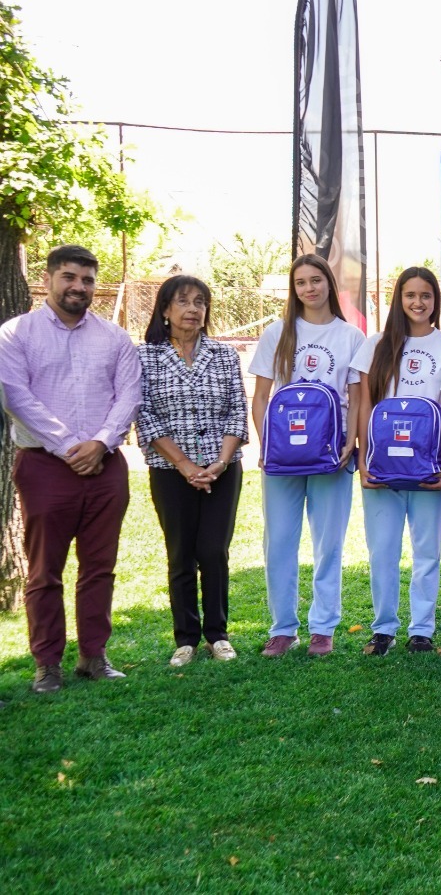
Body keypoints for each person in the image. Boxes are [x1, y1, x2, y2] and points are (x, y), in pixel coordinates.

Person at [0, 244, 139, 694]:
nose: (79, 286)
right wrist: (67, 447)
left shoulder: (115, 338)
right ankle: (47, 664)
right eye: (69, 277)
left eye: (87, 280)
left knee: (100, 567)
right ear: (48, 278)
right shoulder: (15, 335)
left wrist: (100, 443)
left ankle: (93, 656)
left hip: (107, 467)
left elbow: (129, 396)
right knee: (45, 571)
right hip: (44, 466)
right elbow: (16, 397)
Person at [249, 253, 366, 658]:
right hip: (282, 459)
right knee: (279, 541)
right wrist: (269, 446)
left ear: (329, 284)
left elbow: (355, 398)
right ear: (293, 289)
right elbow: (262, 397)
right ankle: (283, 628)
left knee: (328, 544)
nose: (309, 288)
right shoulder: (276, 333)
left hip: (331, 457)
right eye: (301, 283)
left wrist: (349, 443)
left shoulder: (350, 337)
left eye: (316, 280)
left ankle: (323, 627)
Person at [136, 275, 249, 668]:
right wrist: (184, 465)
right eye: (183, 302)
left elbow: (238, 410)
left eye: (200, 302)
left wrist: (219, 461)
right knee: (181, 552)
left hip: (223, 469)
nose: (193, 309)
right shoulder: (144, 356)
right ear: (165, 310)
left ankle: (218, 634)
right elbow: (144, 416)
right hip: (170, 471)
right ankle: (185, 638)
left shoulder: (224, 355)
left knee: (213, 550)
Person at [352, 267, 441, 656]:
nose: (418, 302)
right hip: (382, 468)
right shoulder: (377, 345)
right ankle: (383, 629)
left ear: (436, 301)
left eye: (426, 295)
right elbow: (364, 405)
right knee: (382, 550)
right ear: (398, 298)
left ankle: (422, 631)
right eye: (410, 295)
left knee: (427, 551)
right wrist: (365, 459)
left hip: (429, 468)